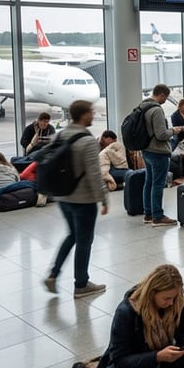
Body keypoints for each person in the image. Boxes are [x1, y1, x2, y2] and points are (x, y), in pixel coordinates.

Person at [44, 100, 108, 298]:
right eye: (91, 112)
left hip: (63, 197)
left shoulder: (60, 135)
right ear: (84, 115)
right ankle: (81, 284)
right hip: (84, 200)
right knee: (84, 241)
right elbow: (94, 174)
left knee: (72, 235)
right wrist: (103, 198)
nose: (93, 114)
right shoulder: (87, 141)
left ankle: (54, 274)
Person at [140, 84, 184, 227]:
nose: (165, 100)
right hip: (158, 151)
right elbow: (161, 134)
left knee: (149, 181)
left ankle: (148, 213)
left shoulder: (142, 106)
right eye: (165, 97)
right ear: (162, 95)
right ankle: (158, 216)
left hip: (146, 149)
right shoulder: (156, 110)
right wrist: (174, 130)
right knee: (158, 184)